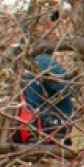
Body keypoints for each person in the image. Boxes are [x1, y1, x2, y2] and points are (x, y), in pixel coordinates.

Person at [12, 12, 73, 145]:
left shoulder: (25, 60)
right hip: (47, 131)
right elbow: (69, 86)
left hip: (31, 130)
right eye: (49, 27)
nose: (55, 33)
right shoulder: (43, 61)